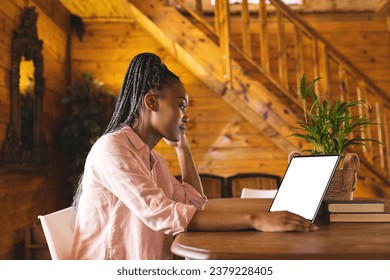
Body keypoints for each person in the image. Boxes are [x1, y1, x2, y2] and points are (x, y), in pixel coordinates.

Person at [70, 52, 317, 260]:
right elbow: (163, 214)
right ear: (151, 102)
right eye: (181, 105)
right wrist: (255, 220)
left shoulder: (153, 160)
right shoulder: (112, 149)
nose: (185, 116)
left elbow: (193, 202)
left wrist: (182, 147)